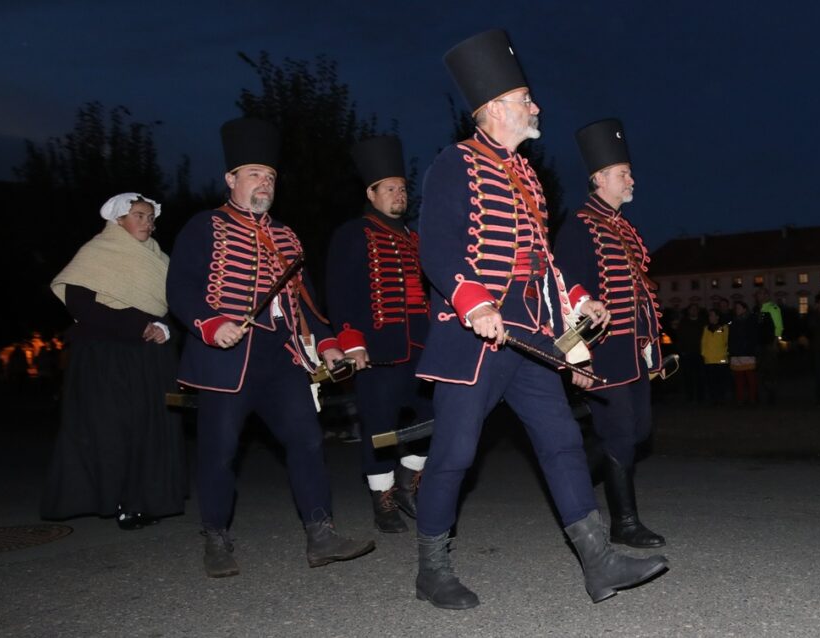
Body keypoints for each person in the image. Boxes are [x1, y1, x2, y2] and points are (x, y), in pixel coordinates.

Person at [413, 30, 667, 609]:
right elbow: (437, 246)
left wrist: (575, 299)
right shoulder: (455, 163)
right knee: (455, 454)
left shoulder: (527, 176)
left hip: (529, 336)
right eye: (525, 99)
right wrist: (473, 301)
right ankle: (432, 568)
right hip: (473, 338)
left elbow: (542, 260)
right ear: (494, 108)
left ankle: (599, 562)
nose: (535, 107)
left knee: (562, 443)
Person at [166, 118, 375, 578]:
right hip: (226, 359)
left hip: (282, 357)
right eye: (255, 174)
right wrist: (211, 324)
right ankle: (216, 537)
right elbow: (179, 288)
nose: (265, 182)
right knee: (220, 451)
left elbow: (307, 301)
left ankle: (321, 534)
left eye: (271, 176)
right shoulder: (204, 226)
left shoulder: (287, 236)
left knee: (307, 441)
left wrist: (328, 344)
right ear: (231, 179)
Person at [41, 193, 186, 530]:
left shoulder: (160, 259)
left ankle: (143, 500)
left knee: (149, 429)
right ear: (118, 219)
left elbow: (174, 306)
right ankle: (117, 500)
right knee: (112, 430)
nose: (147, 223)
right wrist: (138, 325)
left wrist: (165, 329)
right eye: (139, 216)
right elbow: (80, 305)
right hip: (106, 356)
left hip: (149, 358)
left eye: (150, 217)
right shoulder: (96, 252)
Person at [553, 118, 665, 548]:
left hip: (632, 352)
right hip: (601, 351)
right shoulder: (579, 225)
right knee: (619, 433)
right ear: (600, 178)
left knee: (637, 432)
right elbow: (564, 290)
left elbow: (639, 295)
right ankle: (625, 522)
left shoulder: (623, 228)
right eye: (623, 173)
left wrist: (651, 344)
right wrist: (574, 355)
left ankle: (571, 480)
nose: (631, 180)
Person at [326, 135, 432, 533]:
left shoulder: (415, 239)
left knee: (434, 416)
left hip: (421, 347)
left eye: (402, 188)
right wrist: (351, 341)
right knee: (379, 427)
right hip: (376, 349)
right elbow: (340, 292)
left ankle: (408, 481)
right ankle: (382, 498)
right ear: (371, 194)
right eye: (389, 188)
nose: (398, 194)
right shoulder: (353, 233)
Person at [727, 300, 759, 405]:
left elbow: (753, 337)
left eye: (739, 308)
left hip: (747, 352)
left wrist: (751, 348)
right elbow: (730, 336)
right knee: (738, 378)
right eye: (736, 308)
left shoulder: (751, 320)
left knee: (750, 378)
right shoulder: (733, 321)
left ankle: (752, 398)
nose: (736, 310)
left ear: (745, 309)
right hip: (736, 353)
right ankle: (740, 398)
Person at [755, 287, 783, 404]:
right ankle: (762, 396)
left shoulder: (773, 307)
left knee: (770, 371)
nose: (758, 296)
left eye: (760, 294)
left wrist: (775, 343)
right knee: (760, 371)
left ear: (766, 295)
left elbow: (779, 326)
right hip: (760, 344)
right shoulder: (758, 309)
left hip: (769, 344)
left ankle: (771, 397)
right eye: (757, 294)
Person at [675, 303, 707, 402]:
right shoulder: (683, 322)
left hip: (700, 353)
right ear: (688, 311)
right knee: (687, 376)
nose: (693, 310)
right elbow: (679, 337)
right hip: (687, 353)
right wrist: (681, 351)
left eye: (695, 309)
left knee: (700, 376)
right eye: (692, 309)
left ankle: (700, 397)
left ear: (698, 310)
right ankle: (689, 396)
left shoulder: (703, 322)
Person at [701, 308, 730, 404]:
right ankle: (714, 398)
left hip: (721, 358)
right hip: (709, 358)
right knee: (711, 380)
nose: (710, 317)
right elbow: (704, 342)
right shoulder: (706, 328)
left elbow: (726, 341)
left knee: (721, 379)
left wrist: (725, 353)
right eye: (710, 315)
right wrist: (704, 354)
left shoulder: (724, 327)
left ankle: (721, 397)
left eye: (712, 315)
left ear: (717, 317)